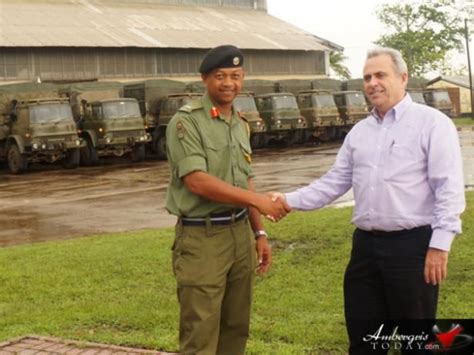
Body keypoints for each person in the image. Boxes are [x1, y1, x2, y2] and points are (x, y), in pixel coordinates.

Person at [272, 47, 465, 354]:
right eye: (367, 77)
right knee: (363, 342)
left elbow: (448, 189)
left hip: (412, 249)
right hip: (365, 250)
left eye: (380, 75)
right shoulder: (359, 132)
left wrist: (439, 245)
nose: (372, 83)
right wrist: (287, 199)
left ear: (403, 78)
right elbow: (334, 182)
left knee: (416, 343)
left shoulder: (432, 124)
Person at [165, 44, 290, 355]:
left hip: (239, 235)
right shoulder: (187, 122)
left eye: (235, 76)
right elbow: (197, 181)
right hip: (202, 238)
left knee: (236, 328)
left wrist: (259, 232)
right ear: (205, 79)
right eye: (220, 76)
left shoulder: (240, 122)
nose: (228, 83)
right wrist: (259, 200)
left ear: (243, 77)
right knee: (201, 333)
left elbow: (243, 177)